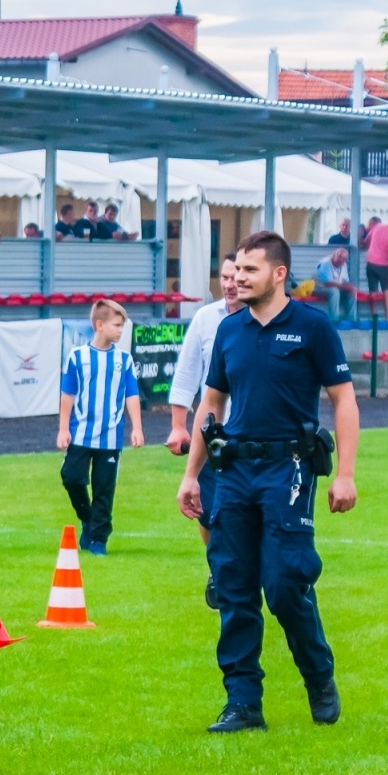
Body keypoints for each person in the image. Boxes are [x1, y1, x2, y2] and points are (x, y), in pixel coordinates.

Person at [176, 230, 359, 734]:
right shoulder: (230, 331)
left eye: (248, 271)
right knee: (233, 586)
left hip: (289, 471)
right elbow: (209, 405)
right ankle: (242, 703)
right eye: (234, 272)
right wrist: (192, 475)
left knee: (283, 583)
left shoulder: (312, 327)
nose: (236, 279)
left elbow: (344, 400)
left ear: (279, 274)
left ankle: (318, 675)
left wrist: (345, 474)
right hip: (231, 470)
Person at [168, 255, 245, 608]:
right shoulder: (205, 318)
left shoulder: (263, 321)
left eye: (236, 277)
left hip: (252, 435)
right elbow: (186, 375)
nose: (229, 284)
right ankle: (217, 567)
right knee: (209, 511)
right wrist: (177, 427)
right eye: (224, 277)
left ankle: (239, 570)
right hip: (212, 435)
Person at [56, 298, 143, 556]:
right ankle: (88, 518)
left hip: (110, 438)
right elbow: (68, 394)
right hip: (81, 434)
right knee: (71, 478)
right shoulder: (77, 357)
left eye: (122, 326)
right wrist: (63, 428)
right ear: (99, 325)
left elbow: (132, 395)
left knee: (104, 489)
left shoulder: (124, 360)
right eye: (117, 325)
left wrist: (136, 427)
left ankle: (98, 541)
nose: (120, 331)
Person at [364, 211, 388, 323]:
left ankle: (374, 315)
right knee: (387, 292)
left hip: (370, 262)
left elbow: (367, 240)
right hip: (383, 266)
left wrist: (371, 249)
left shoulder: (378, 227)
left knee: (372, 291)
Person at [313, 247, 357, 322]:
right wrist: (346, 287)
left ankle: (351, 319)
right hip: (319, 288)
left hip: (334, 287)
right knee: (334, 291)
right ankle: (334, 319)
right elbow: (328, 283)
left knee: (352, 291)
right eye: (339, 256)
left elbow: (345, 281)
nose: (341, 260)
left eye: (344, 258)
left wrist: (351, 288)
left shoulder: (343, 265)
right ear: (334, 255)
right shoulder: (326, 263)